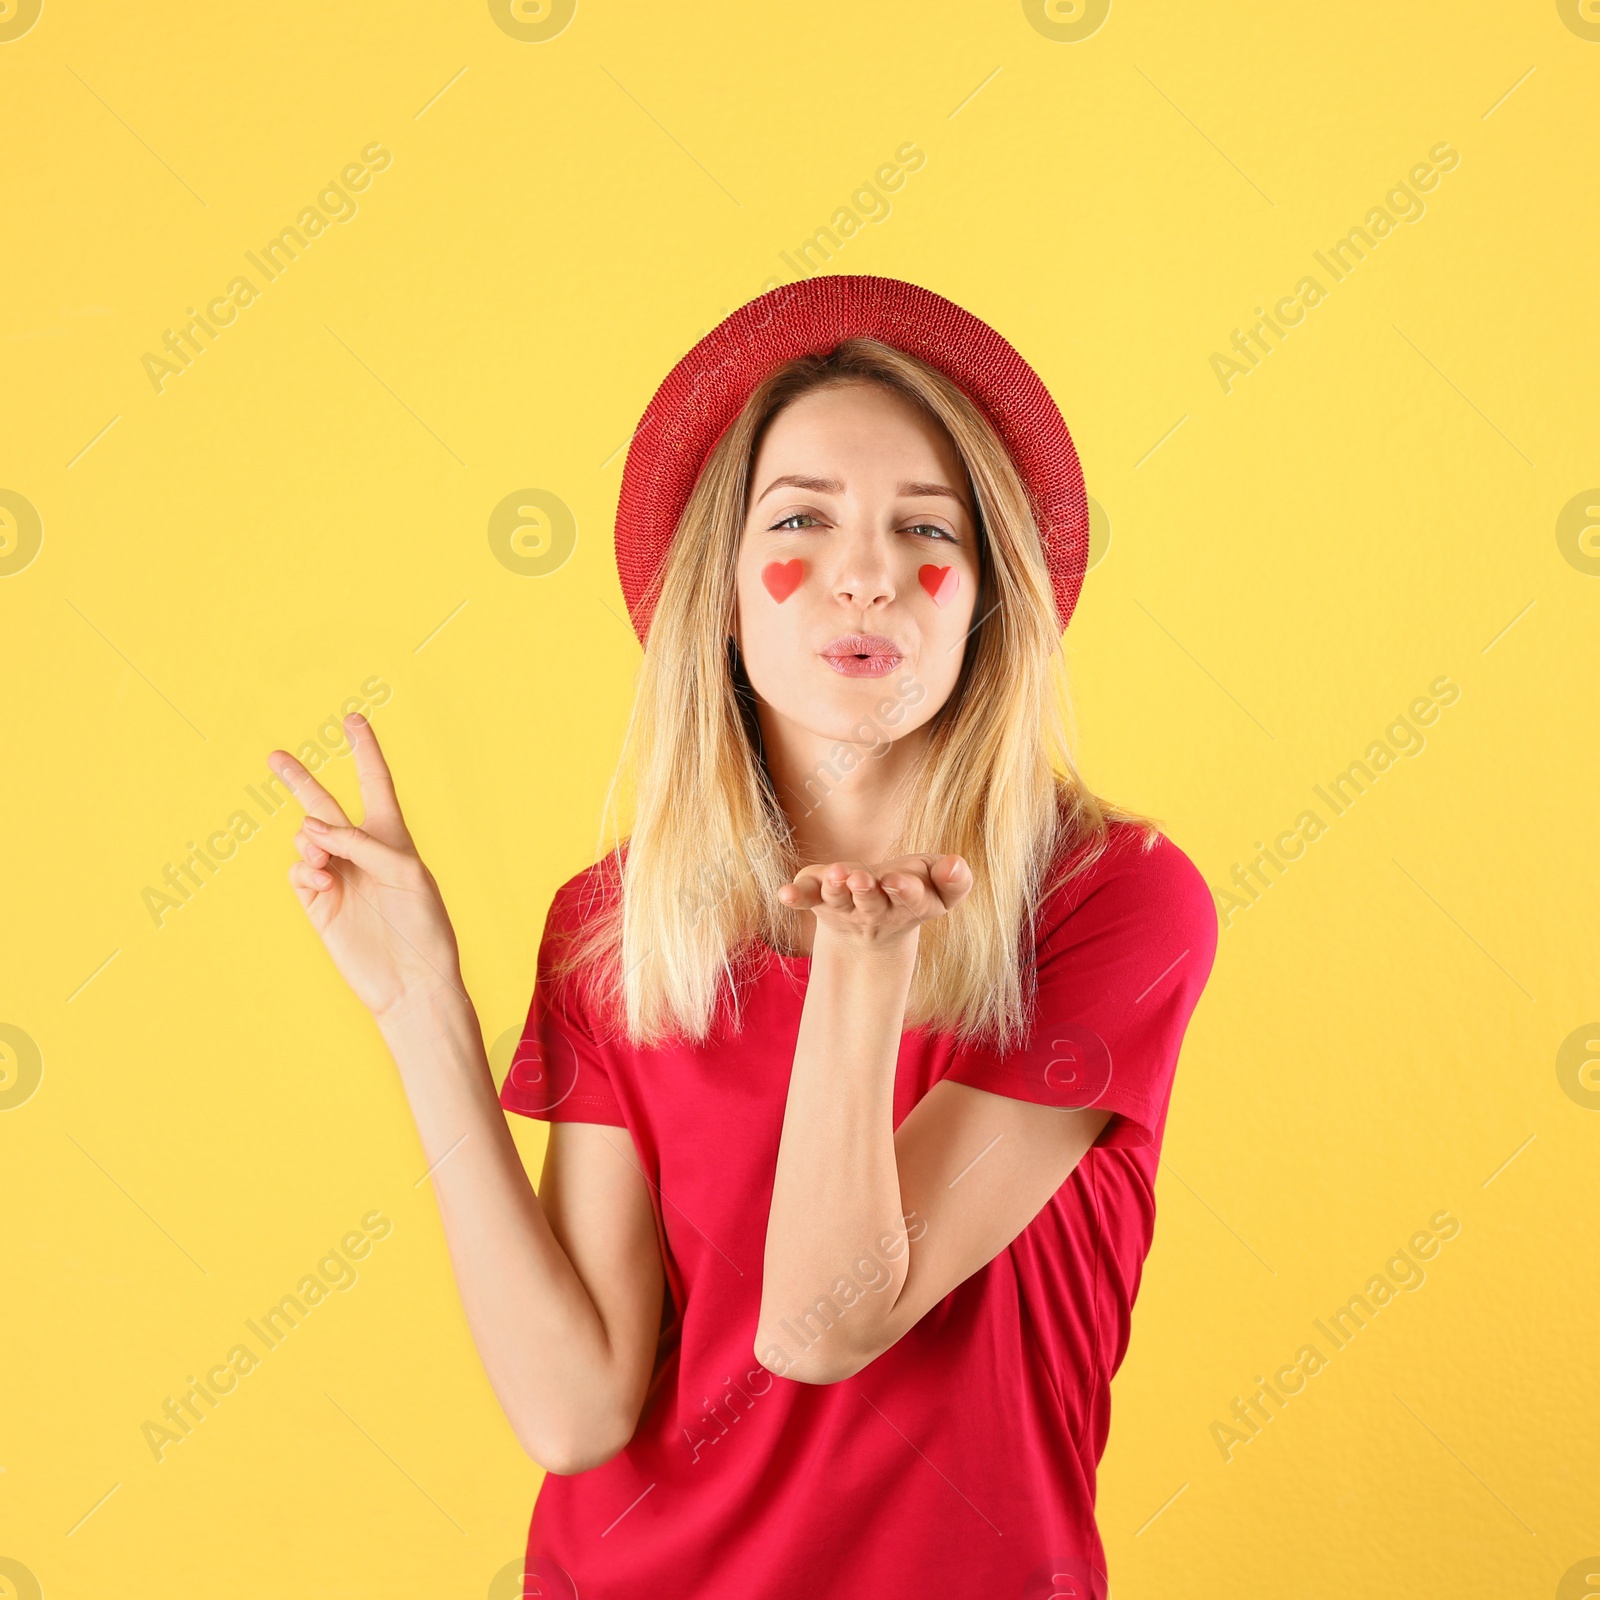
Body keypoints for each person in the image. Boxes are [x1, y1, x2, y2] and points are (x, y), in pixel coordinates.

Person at [269, 275, 1219, 1599]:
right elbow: (574, 1413)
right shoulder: (615, 926)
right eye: (804, 521)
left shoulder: (1109, 900)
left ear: (984, 600)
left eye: (924, 529)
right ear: (721, 594)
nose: (869, 573)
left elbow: (825, 1325)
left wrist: (860, 971)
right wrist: (420, 1004)